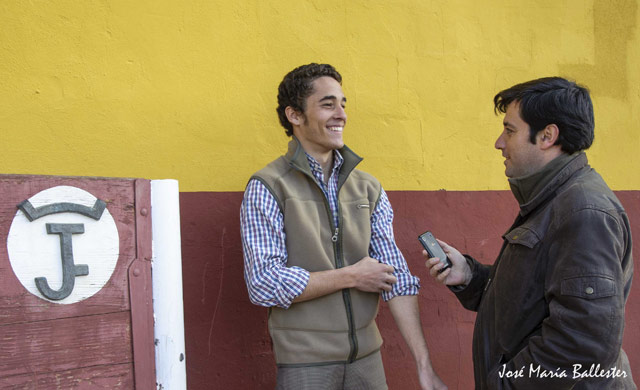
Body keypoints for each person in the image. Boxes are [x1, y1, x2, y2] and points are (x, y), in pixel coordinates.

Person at [241, 63, 447, 390]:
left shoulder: (368, 188)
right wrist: (351, 276)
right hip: (305, 365)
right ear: (294, 115)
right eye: (327, 104)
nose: (341, 114)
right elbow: (263, 283)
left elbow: (396, 279)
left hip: (368, 361)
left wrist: (424, 365)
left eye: (343, 104)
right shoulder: (268, 186)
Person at [424, 77, 635, 389]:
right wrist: (470, 277)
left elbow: (583, 345)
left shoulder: (584, 211)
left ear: (547, 136)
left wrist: (503, 385)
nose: (499, 142)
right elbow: (529, 303)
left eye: (510, 130)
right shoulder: (553, 197)